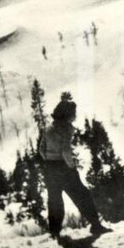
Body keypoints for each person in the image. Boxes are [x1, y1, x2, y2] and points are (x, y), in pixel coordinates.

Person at [41, 93, 111, 238]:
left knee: (55, 201)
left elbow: (41, 149)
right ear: (67, 114)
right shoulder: (66, 129)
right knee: (82, 195)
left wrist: (49, 160)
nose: (75, 115)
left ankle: (54, 232)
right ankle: (95, 225)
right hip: (64, 169)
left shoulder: (48, 128)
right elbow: (66, 151)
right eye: (73, 113)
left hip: (49, 168)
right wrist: (71, 166)